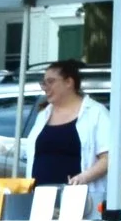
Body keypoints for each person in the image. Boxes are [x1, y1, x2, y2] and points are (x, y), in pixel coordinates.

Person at [26, 60, 113, 192]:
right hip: (41, 197)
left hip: (79, 196)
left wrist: (83, 178)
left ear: (69, 82)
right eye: (44, 83)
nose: (45, 87)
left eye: (51, 81)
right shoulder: (43, 115)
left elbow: (108, 158)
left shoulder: (96, 113)